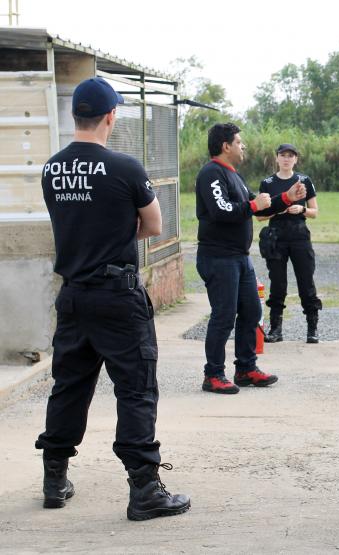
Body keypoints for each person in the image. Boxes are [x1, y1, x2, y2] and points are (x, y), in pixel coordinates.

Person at [35, 77, 190, 520]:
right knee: (136, 389)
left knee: (69, 386)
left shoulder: (52, 168)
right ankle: (145, 489)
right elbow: (154, 225)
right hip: (117, 296)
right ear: (110, 116)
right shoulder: (125, 168)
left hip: (74, 296)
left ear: (75, 117)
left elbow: (68, 224)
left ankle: (54, 477)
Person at [195, 123, 307, 394]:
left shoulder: (235, 175)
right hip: (218, 257)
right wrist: (253, 206)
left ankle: (246, 368)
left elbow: (259, 208)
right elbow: (221, 209)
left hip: (239, 258)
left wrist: (285, 197)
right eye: (239, 142)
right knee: (223, 316)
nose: (242, 146)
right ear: (225, 146)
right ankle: (213, 375)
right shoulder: (211, 173)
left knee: (252, 311)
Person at [257, 144, 322, 344]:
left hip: (299, 236)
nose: (286, 159)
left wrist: (300, 210)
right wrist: (280, 210)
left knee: (306, 282)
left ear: (296, 159)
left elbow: (315, 211)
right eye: (283, 155)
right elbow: (260, 216)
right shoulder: (267, 183)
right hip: (276, 237)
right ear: (276, 158)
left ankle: (312, 329)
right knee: (277, 283)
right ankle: (276, 329)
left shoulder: (303, 181)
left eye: (290, 156)